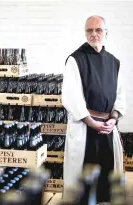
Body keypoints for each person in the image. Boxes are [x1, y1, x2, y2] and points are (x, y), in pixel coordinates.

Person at [62, 15, 126, 203]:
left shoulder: (114, 62)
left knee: (107, 181)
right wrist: (92, 122)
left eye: (98, 30)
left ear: (106, 33)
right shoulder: (75, 60)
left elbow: (120, 96)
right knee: (83, 185)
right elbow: (71, 97)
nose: (94, 34)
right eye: (89, 30)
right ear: (85, 33)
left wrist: (113, 118)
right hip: (85, 128)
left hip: (107, 128)